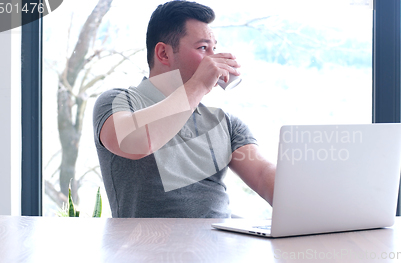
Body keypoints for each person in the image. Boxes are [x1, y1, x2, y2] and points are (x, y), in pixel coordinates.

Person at [93, 0, 275, 218]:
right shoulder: (118, 102)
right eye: (202, 48)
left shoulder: (225, 122)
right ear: (163, 54)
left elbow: (263, 176)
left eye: (214, 49)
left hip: (222, 244)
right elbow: (137, 142)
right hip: (149, 249)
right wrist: (198, 85)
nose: (213, 59)